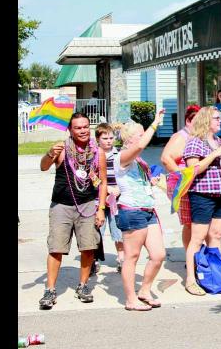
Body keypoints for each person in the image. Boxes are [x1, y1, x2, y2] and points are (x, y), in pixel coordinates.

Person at [38, 112, 107, 310]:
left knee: (88, 247)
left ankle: (83, 286)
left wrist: (101, 209)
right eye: (78, 127)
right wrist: (49, 154)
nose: (83, 130)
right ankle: (50, 289)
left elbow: (102, 182)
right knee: (56, 248)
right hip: (61, 205)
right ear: (70, 130)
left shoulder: (97, 152)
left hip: (87, 205)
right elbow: (43, 167)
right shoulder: (61, 148)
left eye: (85, 126)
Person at [114, 108, 166, 311]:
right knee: (132, 256)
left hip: (148, 210)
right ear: (129, 139)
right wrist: (155, 123)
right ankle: (130, 299)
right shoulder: (123, 156)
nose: (144, 137)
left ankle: (144, 290)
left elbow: (139, 179)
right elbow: (142, 144)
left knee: (158, 255)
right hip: (132, 210)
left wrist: (152, 181)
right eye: (140, 134)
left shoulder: (138, 159)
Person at [182, 107, 221, 296]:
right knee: (197, 238)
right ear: (206, 121)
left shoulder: (219, 141)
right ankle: (191, 278)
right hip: (202, 195)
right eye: (216, 118)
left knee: (216, 235)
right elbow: (193, 169)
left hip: (220, 194)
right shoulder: (195, 142)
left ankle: (213, 275)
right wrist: (214, 154)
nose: (220, 121)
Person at [160, 104, 201, 251]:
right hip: (182, 186)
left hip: (194, 185)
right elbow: (166, 158)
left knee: (200, 222)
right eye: (197, 121)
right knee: (190, 223)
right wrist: (183, 175)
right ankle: (191, 256)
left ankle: (204, 254)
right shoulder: (181, 137)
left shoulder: (196, 136)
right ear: (188, 121)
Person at [93, 123, 125, 275]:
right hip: (98, 199)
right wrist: (104, 189)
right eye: (105, 138)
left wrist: (119, 188)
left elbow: (124, 175)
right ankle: (94, 260)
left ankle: (121, 258)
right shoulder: (93, 155)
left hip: (116, 199)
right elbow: (91, 177)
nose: (109, 141)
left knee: (118, 228)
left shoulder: (119, 155)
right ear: (97, 139)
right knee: (97, 230)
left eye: (111, 138)